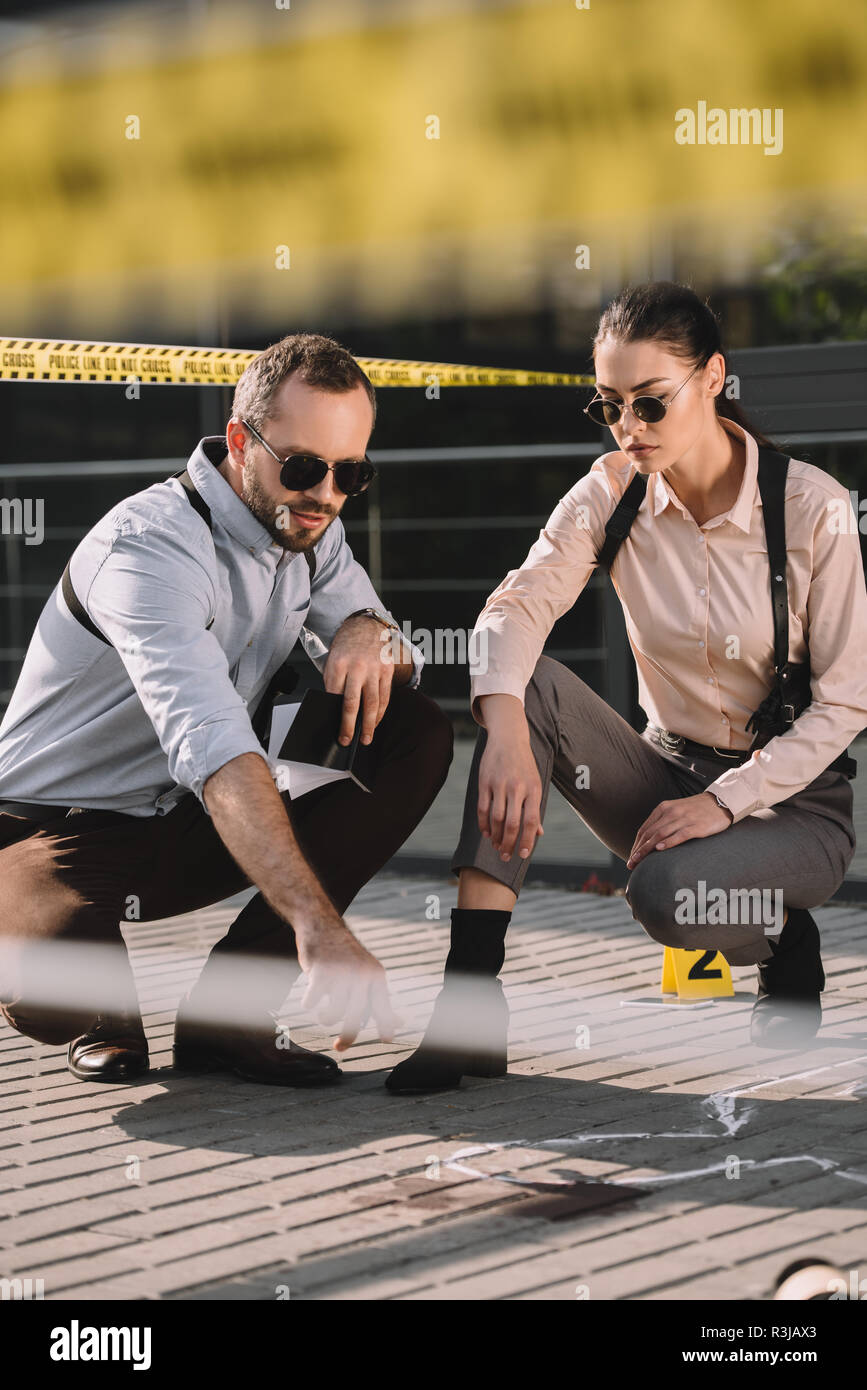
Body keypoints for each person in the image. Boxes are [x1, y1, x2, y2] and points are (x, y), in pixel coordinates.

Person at [386, 281, 867, 1094]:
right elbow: (516, 605)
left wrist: (720, 804)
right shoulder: (612, 493)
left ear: (712, 378)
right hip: (661, 772)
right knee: (526, 686)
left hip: (794, 804)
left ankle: (783, 940)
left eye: (649, 404)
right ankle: (469, 1009)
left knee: (667, 896)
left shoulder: (810, 507)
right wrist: (501, 732)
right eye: (609, 406)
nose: (627, 428)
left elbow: (846, 704)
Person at [0, 333, 453, 1086]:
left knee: (412, 728)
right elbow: (211, 746)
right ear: (241, 442)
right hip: (53, 827)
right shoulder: (149, 549)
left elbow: (393, 652)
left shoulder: (311, 525)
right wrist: (318, 926)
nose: (327, 494)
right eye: (305, 467)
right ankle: (94, 988)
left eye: (351, 473)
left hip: (177, 820)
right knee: (54, 992)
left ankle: (227, 1018)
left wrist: (372, 630)